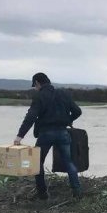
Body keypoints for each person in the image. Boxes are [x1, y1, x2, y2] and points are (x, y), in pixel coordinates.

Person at [13, 72, 82, 200]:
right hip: (63, 132)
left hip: (45, 134)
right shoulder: (64, 94)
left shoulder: (39, 96)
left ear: (38, 83)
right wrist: (68, 120)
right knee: (69, 162)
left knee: (37, 163)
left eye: (35, 85)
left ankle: (42, 193)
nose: (35, 88)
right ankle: (77, 191)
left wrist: (20, 136)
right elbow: (78, 111)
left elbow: (31, 117)